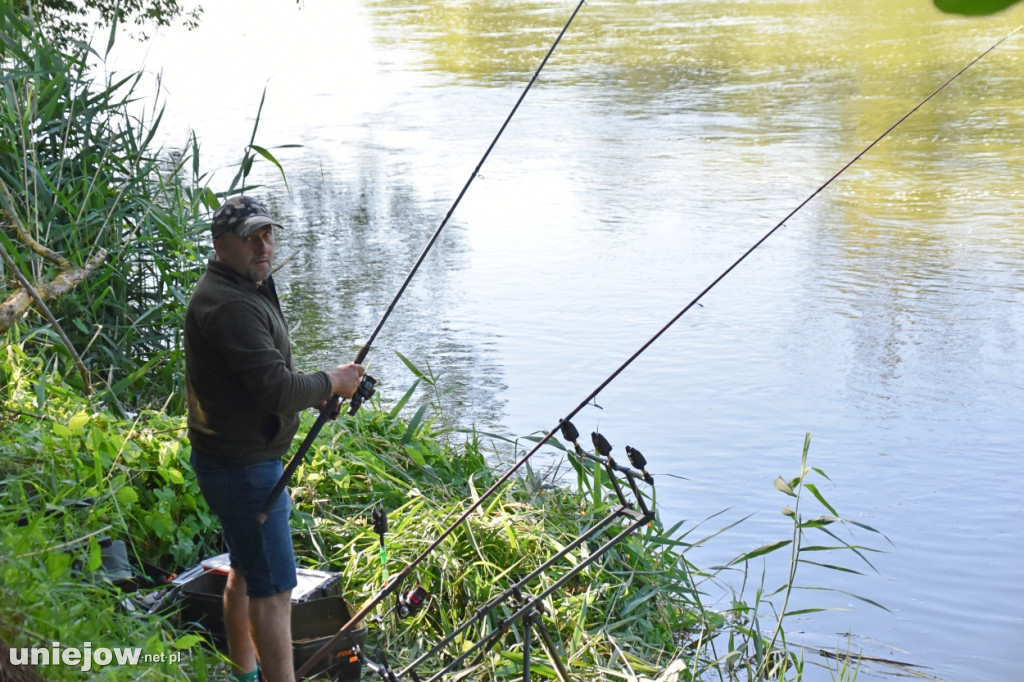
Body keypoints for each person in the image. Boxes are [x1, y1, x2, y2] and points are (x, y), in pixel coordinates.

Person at [184, 195, 364, 682]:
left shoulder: (245, 285)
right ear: (221, 245)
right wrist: (331, 382)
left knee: (245, 570)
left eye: (268, 234)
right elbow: (277, 388)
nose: (264, 246)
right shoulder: (229, 305)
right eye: (251, 238)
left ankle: (243, 675)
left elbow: (267, 379)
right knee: (274, 589)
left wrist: (315, 393)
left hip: (235, 460)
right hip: (245, 470)